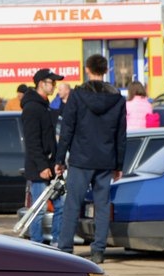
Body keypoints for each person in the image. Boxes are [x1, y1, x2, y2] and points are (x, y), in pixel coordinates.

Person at [55, 54, 127, 265]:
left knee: (72, 205)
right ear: (106, 70)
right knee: (102, 206)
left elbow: (67, 128)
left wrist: (60, 159)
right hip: (105, 160)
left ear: (87, 69)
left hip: (81, 158)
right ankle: (98, 251)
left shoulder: (77, 95)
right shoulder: (117, 98)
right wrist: (119, 164)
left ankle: (66, 249)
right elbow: (121, 134)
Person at [21, 68, 64, 246]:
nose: (54, 86)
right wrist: (42, 166)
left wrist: (56, 163)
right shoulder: (32, 108)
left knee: (61, 207)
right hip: (39, 169)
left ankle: (57, 244)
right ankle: (36, 245)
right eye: (51, 82)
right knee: (38, 210)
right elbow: (32, 142)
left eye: (55, 83)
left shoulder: (45, 106)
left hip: (51, 167)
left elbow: (49, 140)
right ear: (41, 84)